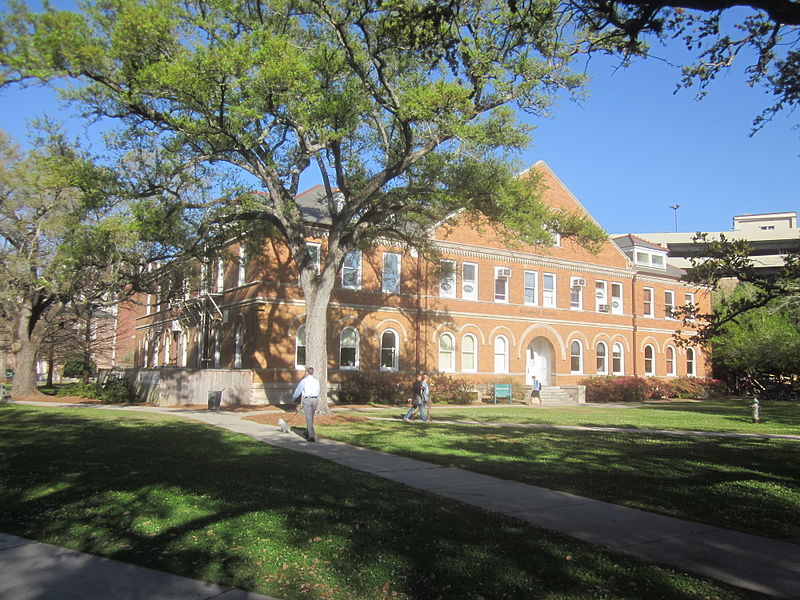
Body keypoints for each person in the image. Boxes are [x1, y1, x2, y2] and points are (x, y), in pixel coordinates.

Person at [293, 366, 321, 441]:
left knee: (308, 418)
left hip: (307, 399)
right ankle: (308, 433)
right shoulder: (316, 381)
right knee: (311, 417)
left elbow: (298, 390)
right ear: (313, 372)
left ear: (307, 372)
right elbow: (318, 390)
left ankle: (311, 436)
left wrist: (294, 397)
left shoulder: (304, 381)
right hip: (315, 399)